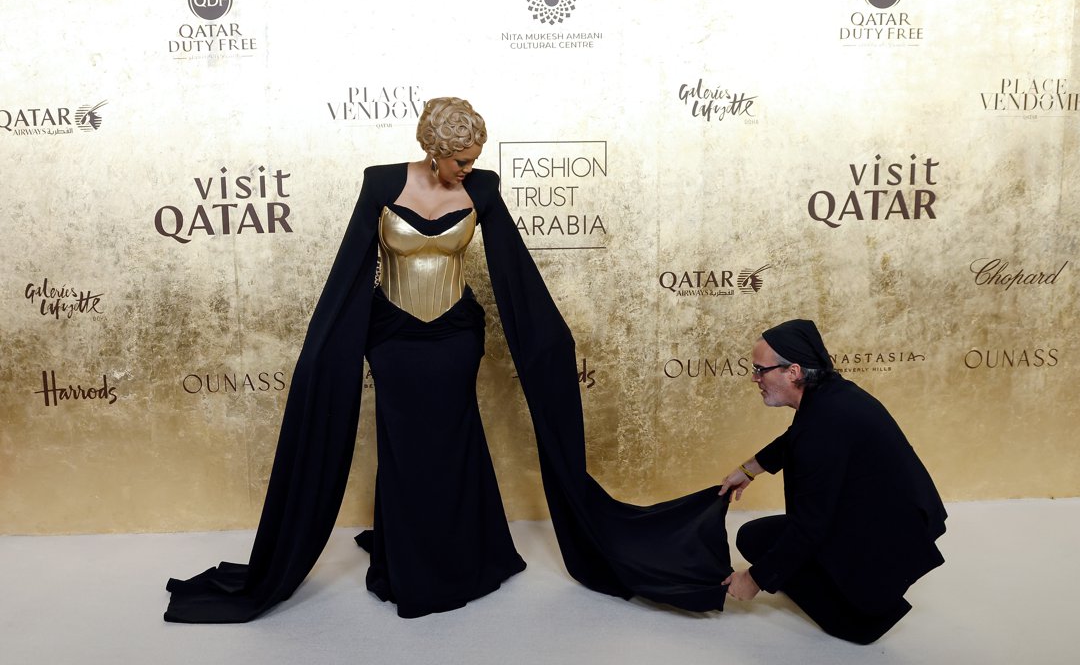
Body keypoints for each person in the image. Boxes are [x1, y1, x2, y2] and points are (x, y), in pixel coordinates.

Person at [164, 97, 733, 623]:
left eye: (474, 159)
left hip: (456, 336)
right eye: (461, 159)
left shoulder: (482, 190)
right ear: (434, 153)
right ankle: (406, 556)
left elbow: (515, 272)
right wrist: (325, 349)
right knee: (405, 447)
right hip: (392, 337)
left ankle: (468, 555)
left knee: (453, 442)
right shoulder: (380, 183)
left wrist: (549, 341)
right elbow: (351, 269)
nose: (468, 168)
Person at [719, 319, 947, 644]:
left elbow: (809, 526)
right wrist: (751, 468)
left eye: (760, 370)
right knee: (754, 538)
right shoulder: (831, 395)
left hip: (883, 541)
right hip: (873, 519)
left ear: (793, 371)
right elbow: (796, 437)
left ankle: (868, 612)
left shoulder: (822, 430)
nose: (755, 378)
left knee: (854, 624)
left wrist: (754, 580)